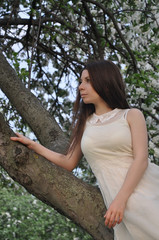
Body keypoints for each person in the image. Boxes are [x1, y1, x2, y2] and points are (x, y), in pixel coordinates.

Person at [11, 60, 159, 240]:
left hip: (146, 191)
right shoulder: (86, 124)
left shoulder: (131, 115)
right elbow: (68, 162)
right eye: (81, 81)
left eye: (88, 80)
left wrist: (120, 200)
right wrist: (35, 146)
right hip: (117, 204)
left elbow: (141, 159)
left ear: (105, 81)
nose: (81, 86)